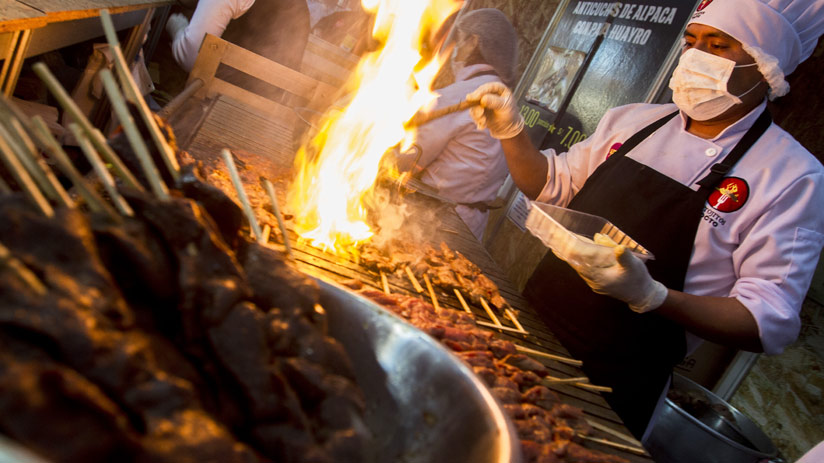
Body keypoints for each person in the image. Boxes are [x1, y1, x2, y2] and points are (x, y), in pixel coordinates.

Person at [466, 0, 824, 441]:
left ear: (765, 67)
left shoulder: (791, 175)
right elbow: (550, 184)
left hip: (612, 384)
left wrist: (652, 295)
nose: (696, 57)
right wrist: (510, 129)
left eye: (719, 45)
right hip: (532, 326)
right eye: (692, 41)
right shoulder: (635, 121)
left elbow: (766, 319)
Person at [395, 8, 518, 241]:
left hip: (436, 221)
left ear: (473, 42)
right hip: (472, 224)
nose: (454, 51)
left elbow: (413, 156)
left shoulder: (458, 95)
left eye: (459, 41)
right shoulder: (505, 98)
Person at [165, 0, 310, 74]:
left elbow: (190, 58)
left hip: (215, 105)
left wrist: (176, 26)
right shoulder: (300, 7)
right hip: (269, 120)